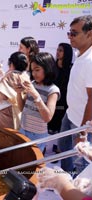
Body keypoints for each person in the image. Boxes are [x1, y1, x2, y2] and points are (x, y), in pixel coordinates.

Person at [58, 15, 92, 175]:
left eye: (74, 33)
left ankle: (79, 192)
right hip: (71, 114)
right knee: (64, 148)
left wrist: (83, 131)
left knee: (82, 161)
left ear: (90, 34)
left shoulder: (91, 60)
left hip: (82, 123)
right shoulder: (82, 55)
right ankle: (66, 181)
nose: (70, 37)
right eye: (69, 33)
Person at [14, 52, 60, 152]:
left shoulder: (53, 90)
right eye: (32, 70)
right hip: (22, 129)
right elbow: (22, 108)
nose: (34, 73)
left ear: (48, 69)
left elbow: (47, 117)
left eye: (37, 70)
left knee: (32, 164)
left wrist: (36, 95)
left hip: (37, 136)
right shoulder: (32, 84)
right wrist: (18, 93)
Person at [0, 52, 29, 129]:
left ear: (11, 64)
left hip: (8, 114)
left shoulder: (10, 76)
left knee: (5, 138)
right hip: (20, 114)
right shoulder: (25, 76)